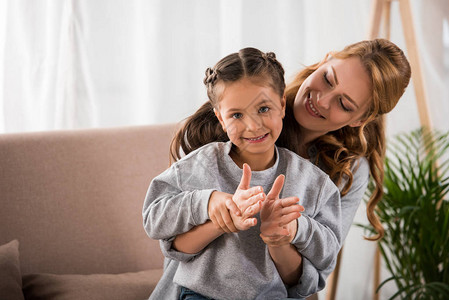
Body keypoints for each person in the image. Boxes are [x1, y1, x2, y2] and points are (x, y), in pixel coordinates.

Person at [168, 38, 412, 298]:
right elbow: (172, 239)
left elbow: (308, 280)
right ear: (325, 60)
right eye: (328, 79)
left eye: (344, 104)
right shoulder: (234, 116)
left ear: (361, 119)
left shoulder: (348, 172)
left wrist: (282, 238)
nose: (322, 100)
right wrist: (212, 207)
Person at [143, 47, 342, 299]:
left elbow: (326, 257)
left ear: (282, 105)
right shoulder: (202, 164)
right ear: (221, 119)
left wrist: (292, 230)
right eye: (236, 115)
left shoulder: (314, 183)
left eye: (263, 109)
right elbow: (153, 219)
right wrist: (209, 203)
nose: (252, 125)